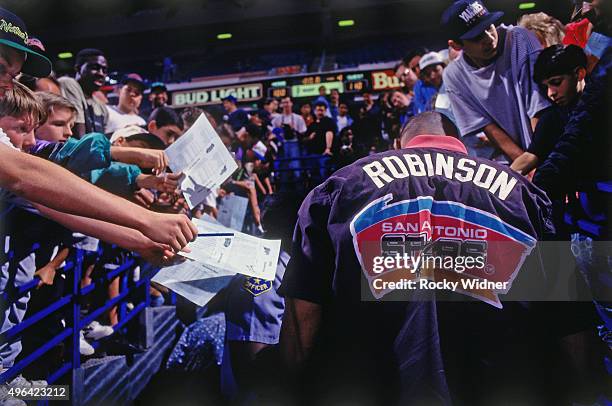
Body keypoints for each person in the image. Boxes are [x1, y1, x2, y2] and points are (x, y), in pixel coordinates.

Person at [279, 111, 560, 404]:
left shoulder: (338, 189)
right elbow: (569, 318)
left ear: (398, 144)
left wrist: (288, 387)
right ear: (461, 145)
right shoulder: (525, 195)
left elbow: (303, 318)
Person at [441, 0, 551, 163]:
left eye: (489, 27)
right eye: (476, 36)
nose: (489, 38)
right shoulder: (454, 76)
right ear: (456, 45)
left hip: (548, 143)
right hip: (514, 158)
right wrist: (526, 167)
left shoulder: (520, 39)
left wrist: (540, 160)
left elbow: (539, 108)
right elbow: (488, 126)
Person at [511, 45, 588, 175]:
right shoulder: (552, 118)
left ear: (579, 74)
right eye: (545, 86)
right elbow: (531, 155)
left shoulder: (603, 102)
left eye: (556, 82)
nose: (550, 93)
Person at [58, 48, 109, 137]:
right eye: (95, 68)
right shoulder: (68, 83)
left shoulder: (101, 107)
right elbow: (79, 138)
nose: (101, 74)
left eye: (104, 70)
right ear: (78, 68)